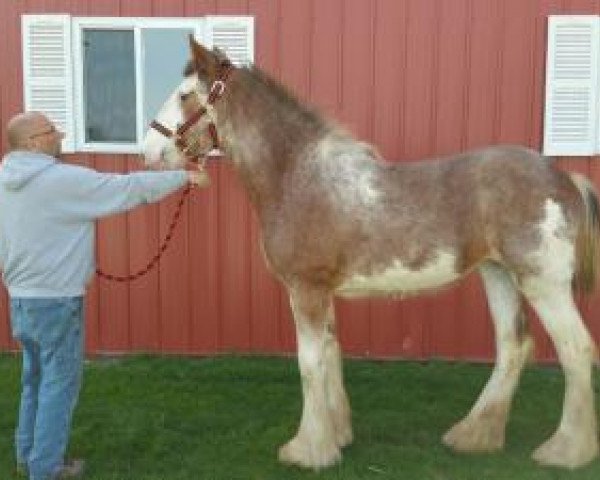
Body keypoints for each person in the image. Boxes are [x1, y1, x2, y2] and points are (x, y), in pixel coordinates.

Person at [0, 112, 209, 480]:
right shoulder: (59, 180)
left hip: (21, 300)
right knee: (58, 386)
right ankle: (45, 469)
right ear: (33, 142)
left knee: (34, 380)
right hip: (57, 301)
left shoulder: (6, 180)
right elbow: (127, 189)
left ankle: (26, 455)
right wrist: (184, 176)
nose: (60, 135)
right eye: (52, 131)